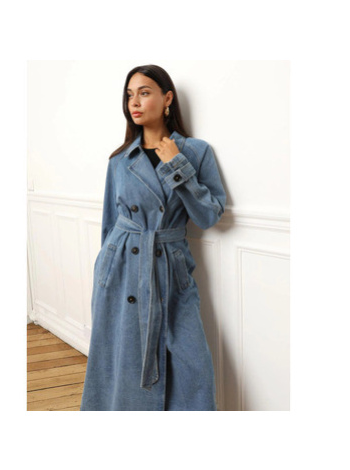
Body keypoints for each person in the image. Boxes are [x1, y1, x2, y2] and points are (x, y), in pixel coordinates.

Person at [80, 64, 226, 411]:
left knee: (193, 364)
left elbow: (209, 215)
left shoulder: (196, 152)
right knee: (122, 358)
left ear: (167, 99)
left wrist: (177, 166)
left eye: (144, 93)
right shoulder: (119, 160)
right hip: (121, 269)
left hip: (170, 268)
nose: (134, 102)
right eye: (129, 95)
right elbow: (109, 223)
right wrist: (104, 272)